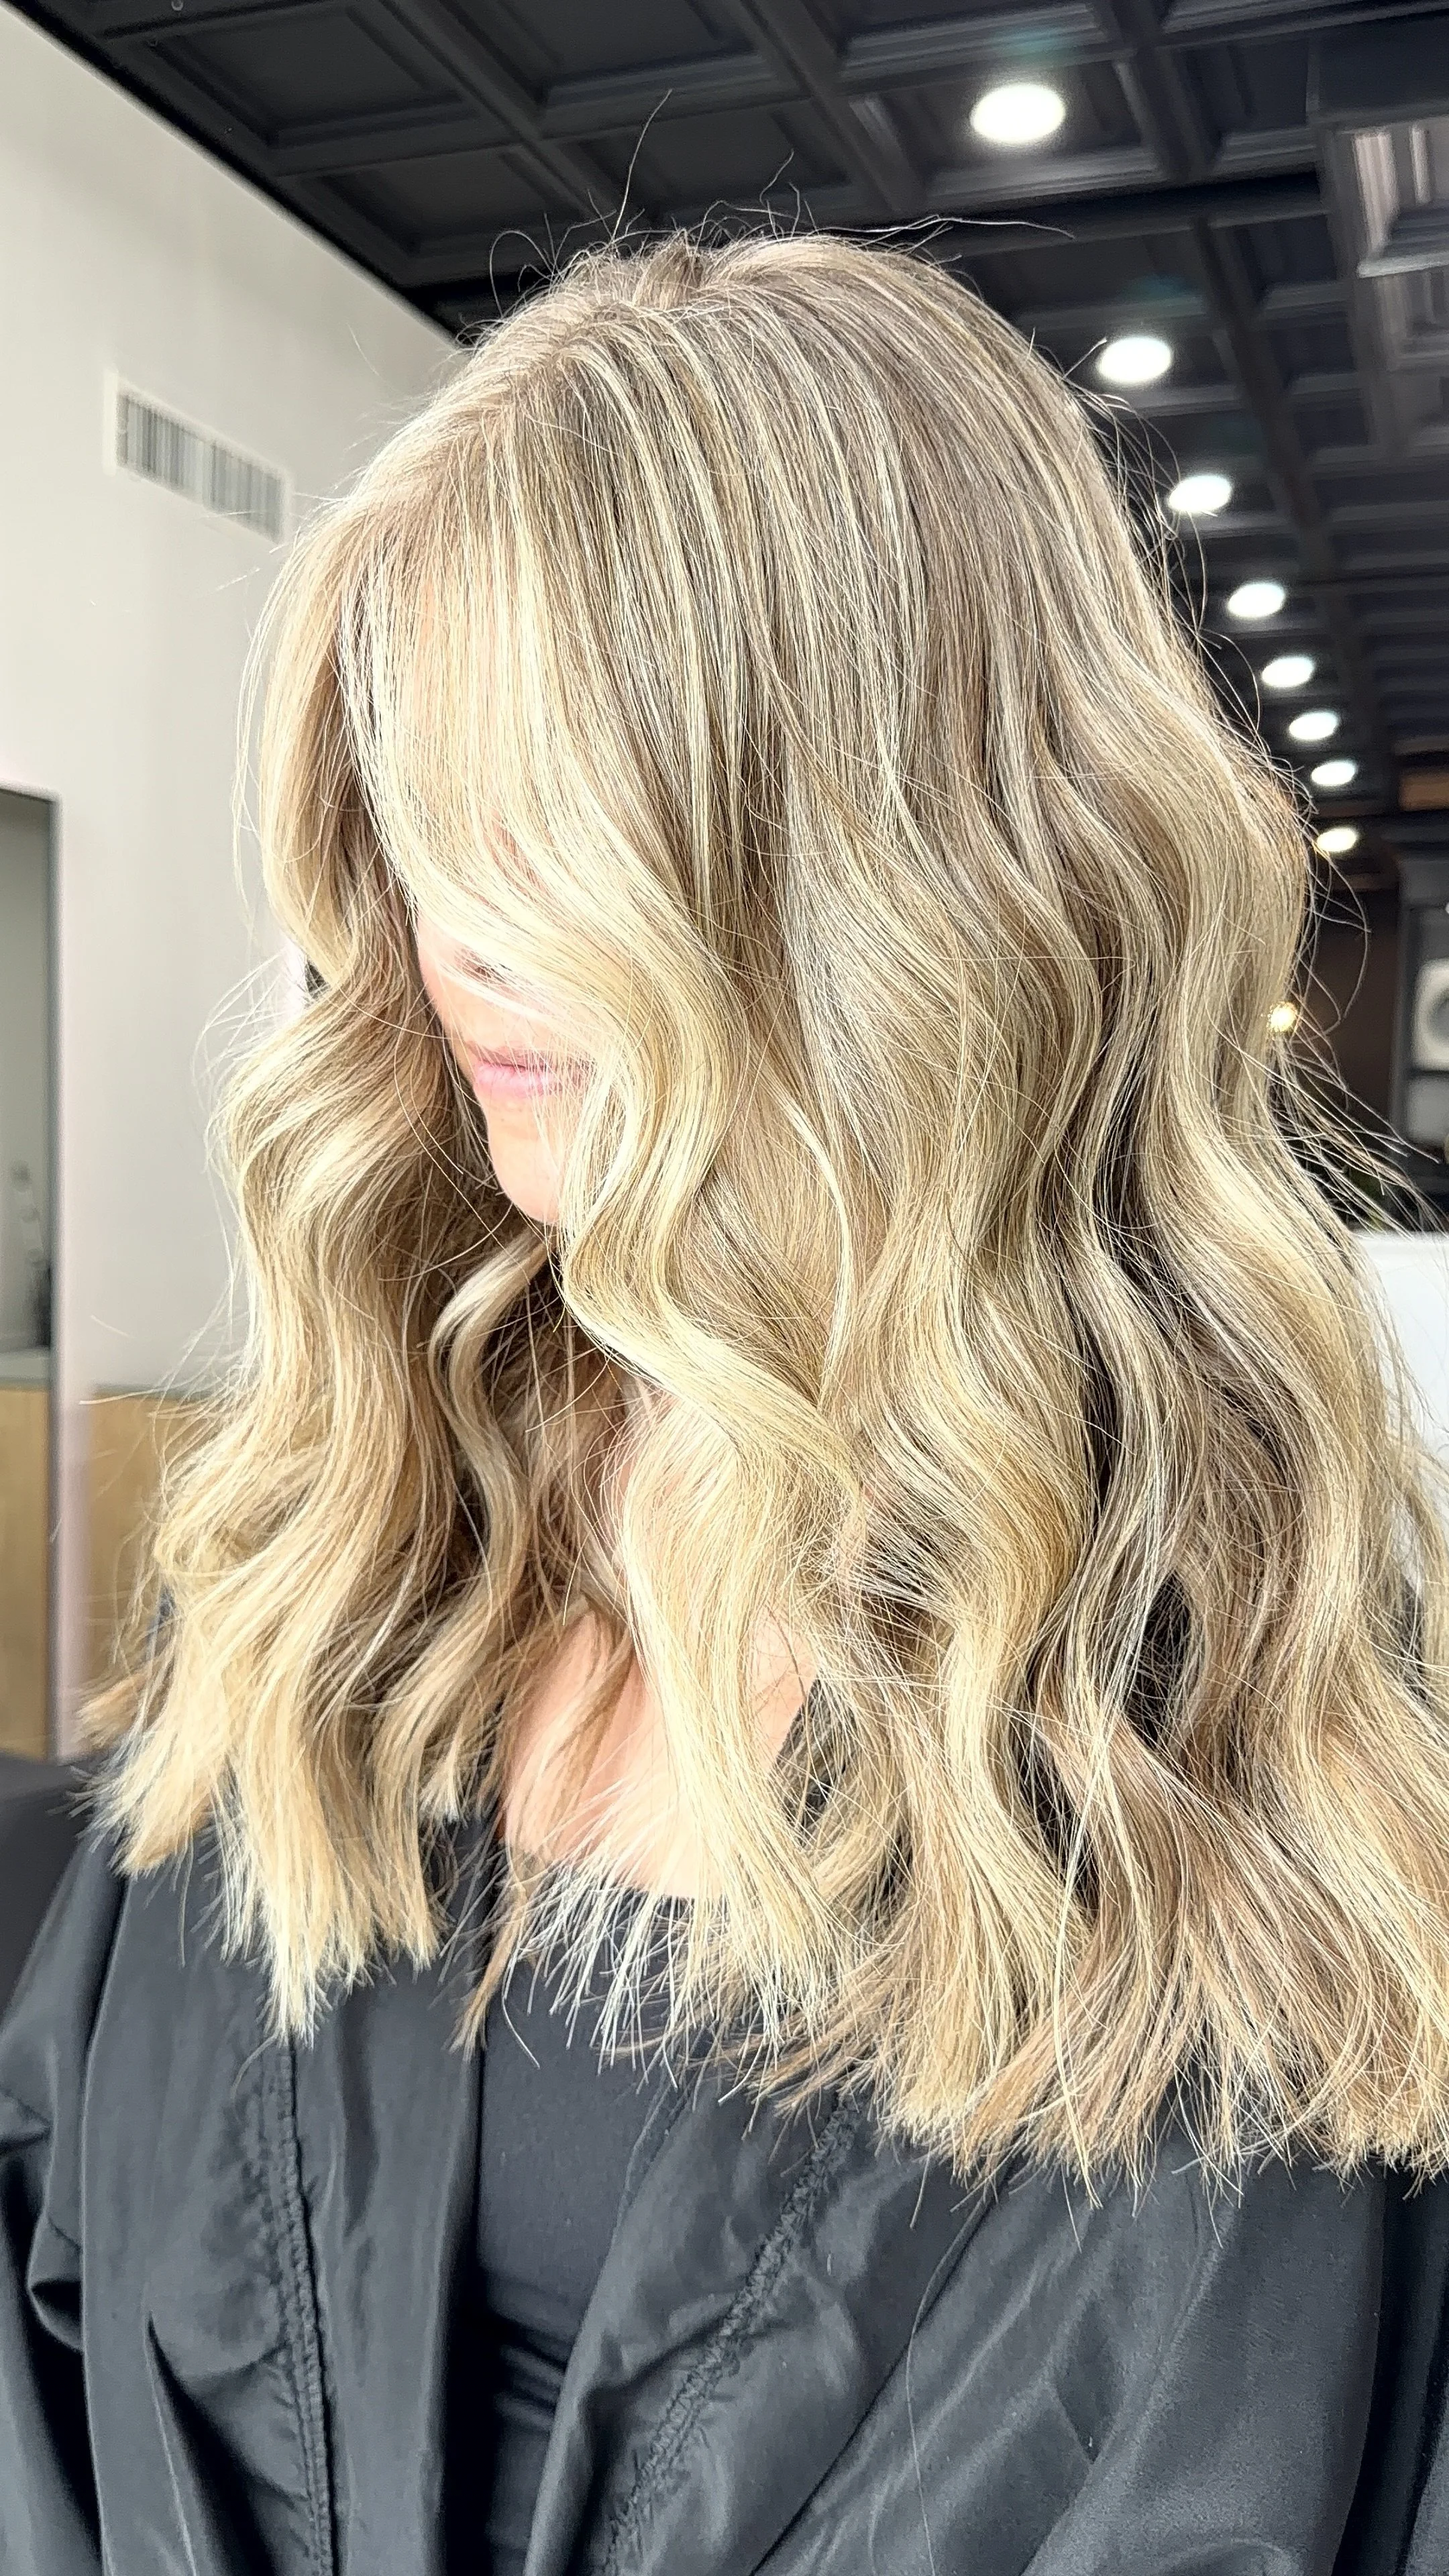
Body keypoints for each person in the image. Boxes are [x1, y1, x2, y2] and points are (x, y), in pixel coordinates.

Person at [5, 227, 1449, 2576]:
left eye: (554, 819)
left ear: (905, 869)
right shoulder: (372, 1536)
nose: (456, 926)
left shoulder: (1248, 1728)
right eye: (416, 801)